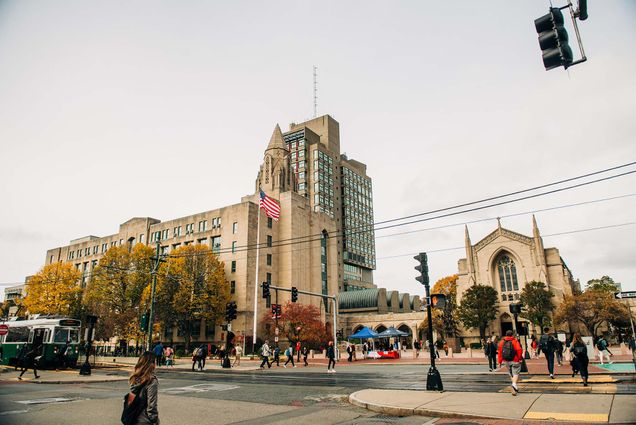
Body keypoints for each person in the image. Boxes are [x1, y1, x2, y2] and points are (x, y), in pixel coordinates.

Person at [128, 351, 160, 425]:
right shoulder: (151, 381)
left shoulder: (135, 378)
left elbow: (130, 399)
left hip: (133, 417)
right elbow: (151, 406)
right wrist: (154, 420)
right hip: (145, 420)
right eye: (154, 362)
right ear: (151, 365)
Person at [498, 330, 523, 396]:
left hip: (506, 360)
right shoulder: (514, 341)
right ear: (512, 335)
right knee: (516, 373)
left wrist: (500, 362)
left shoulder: (502, 342)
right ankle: (514, 385)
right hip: (515, 359)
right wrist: (520, 358)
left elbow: (500, 352)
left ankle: (515, 387)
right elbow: (519, 350)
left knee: (511, 373)